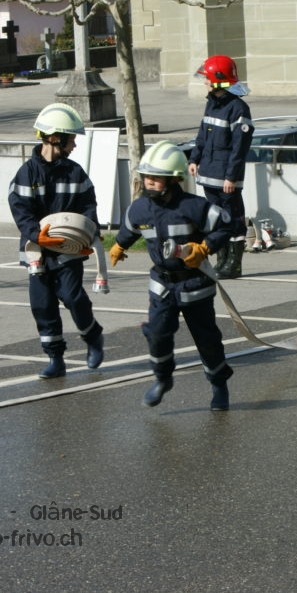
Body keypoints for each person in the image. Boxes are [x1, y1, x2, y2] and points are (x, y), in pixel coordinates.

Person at [109, 141, 236, 411]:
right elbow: (130, 229)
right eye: (146, 177)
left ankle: (218, 385)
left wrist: (205, 247)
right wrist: (120, 245)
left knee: (207, 340)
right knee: (157, 334)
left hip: (195, 283)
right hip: (162, 284)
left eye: (156, 178)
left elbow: (227, 225)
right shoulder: (139, 209)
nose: (149, 183)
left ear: (173, 179)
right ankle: (162, 379)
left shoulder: (195, 207)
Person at [8, 103, 105, 379]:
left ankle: (93, 336)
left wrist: (88, 233)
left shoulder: (75, 173)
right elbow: (19, 208)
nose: (74, 144)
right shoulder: (27, 173)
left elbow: (89, 206)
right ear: (54, 138)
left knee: (73, 297)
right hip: (37, 251)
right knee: (42, 304)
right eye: (71, 138)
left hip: (68, 251)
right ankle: (55, 359)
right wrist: (33, 234)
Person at [187, 54, 254, 280]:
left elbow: (239, 148)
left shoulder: (238, 108)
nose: (204, 81)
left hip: (226, 178)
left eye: (207, 78)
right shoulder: (212, 104)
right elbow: (202, 136)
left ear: (218, 79)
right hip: (209, 175)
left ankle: (233, 264)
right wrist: (194, 159)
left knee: (233, 219)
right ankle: (222, 260)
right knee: (216, 219)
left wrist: (231, 177)